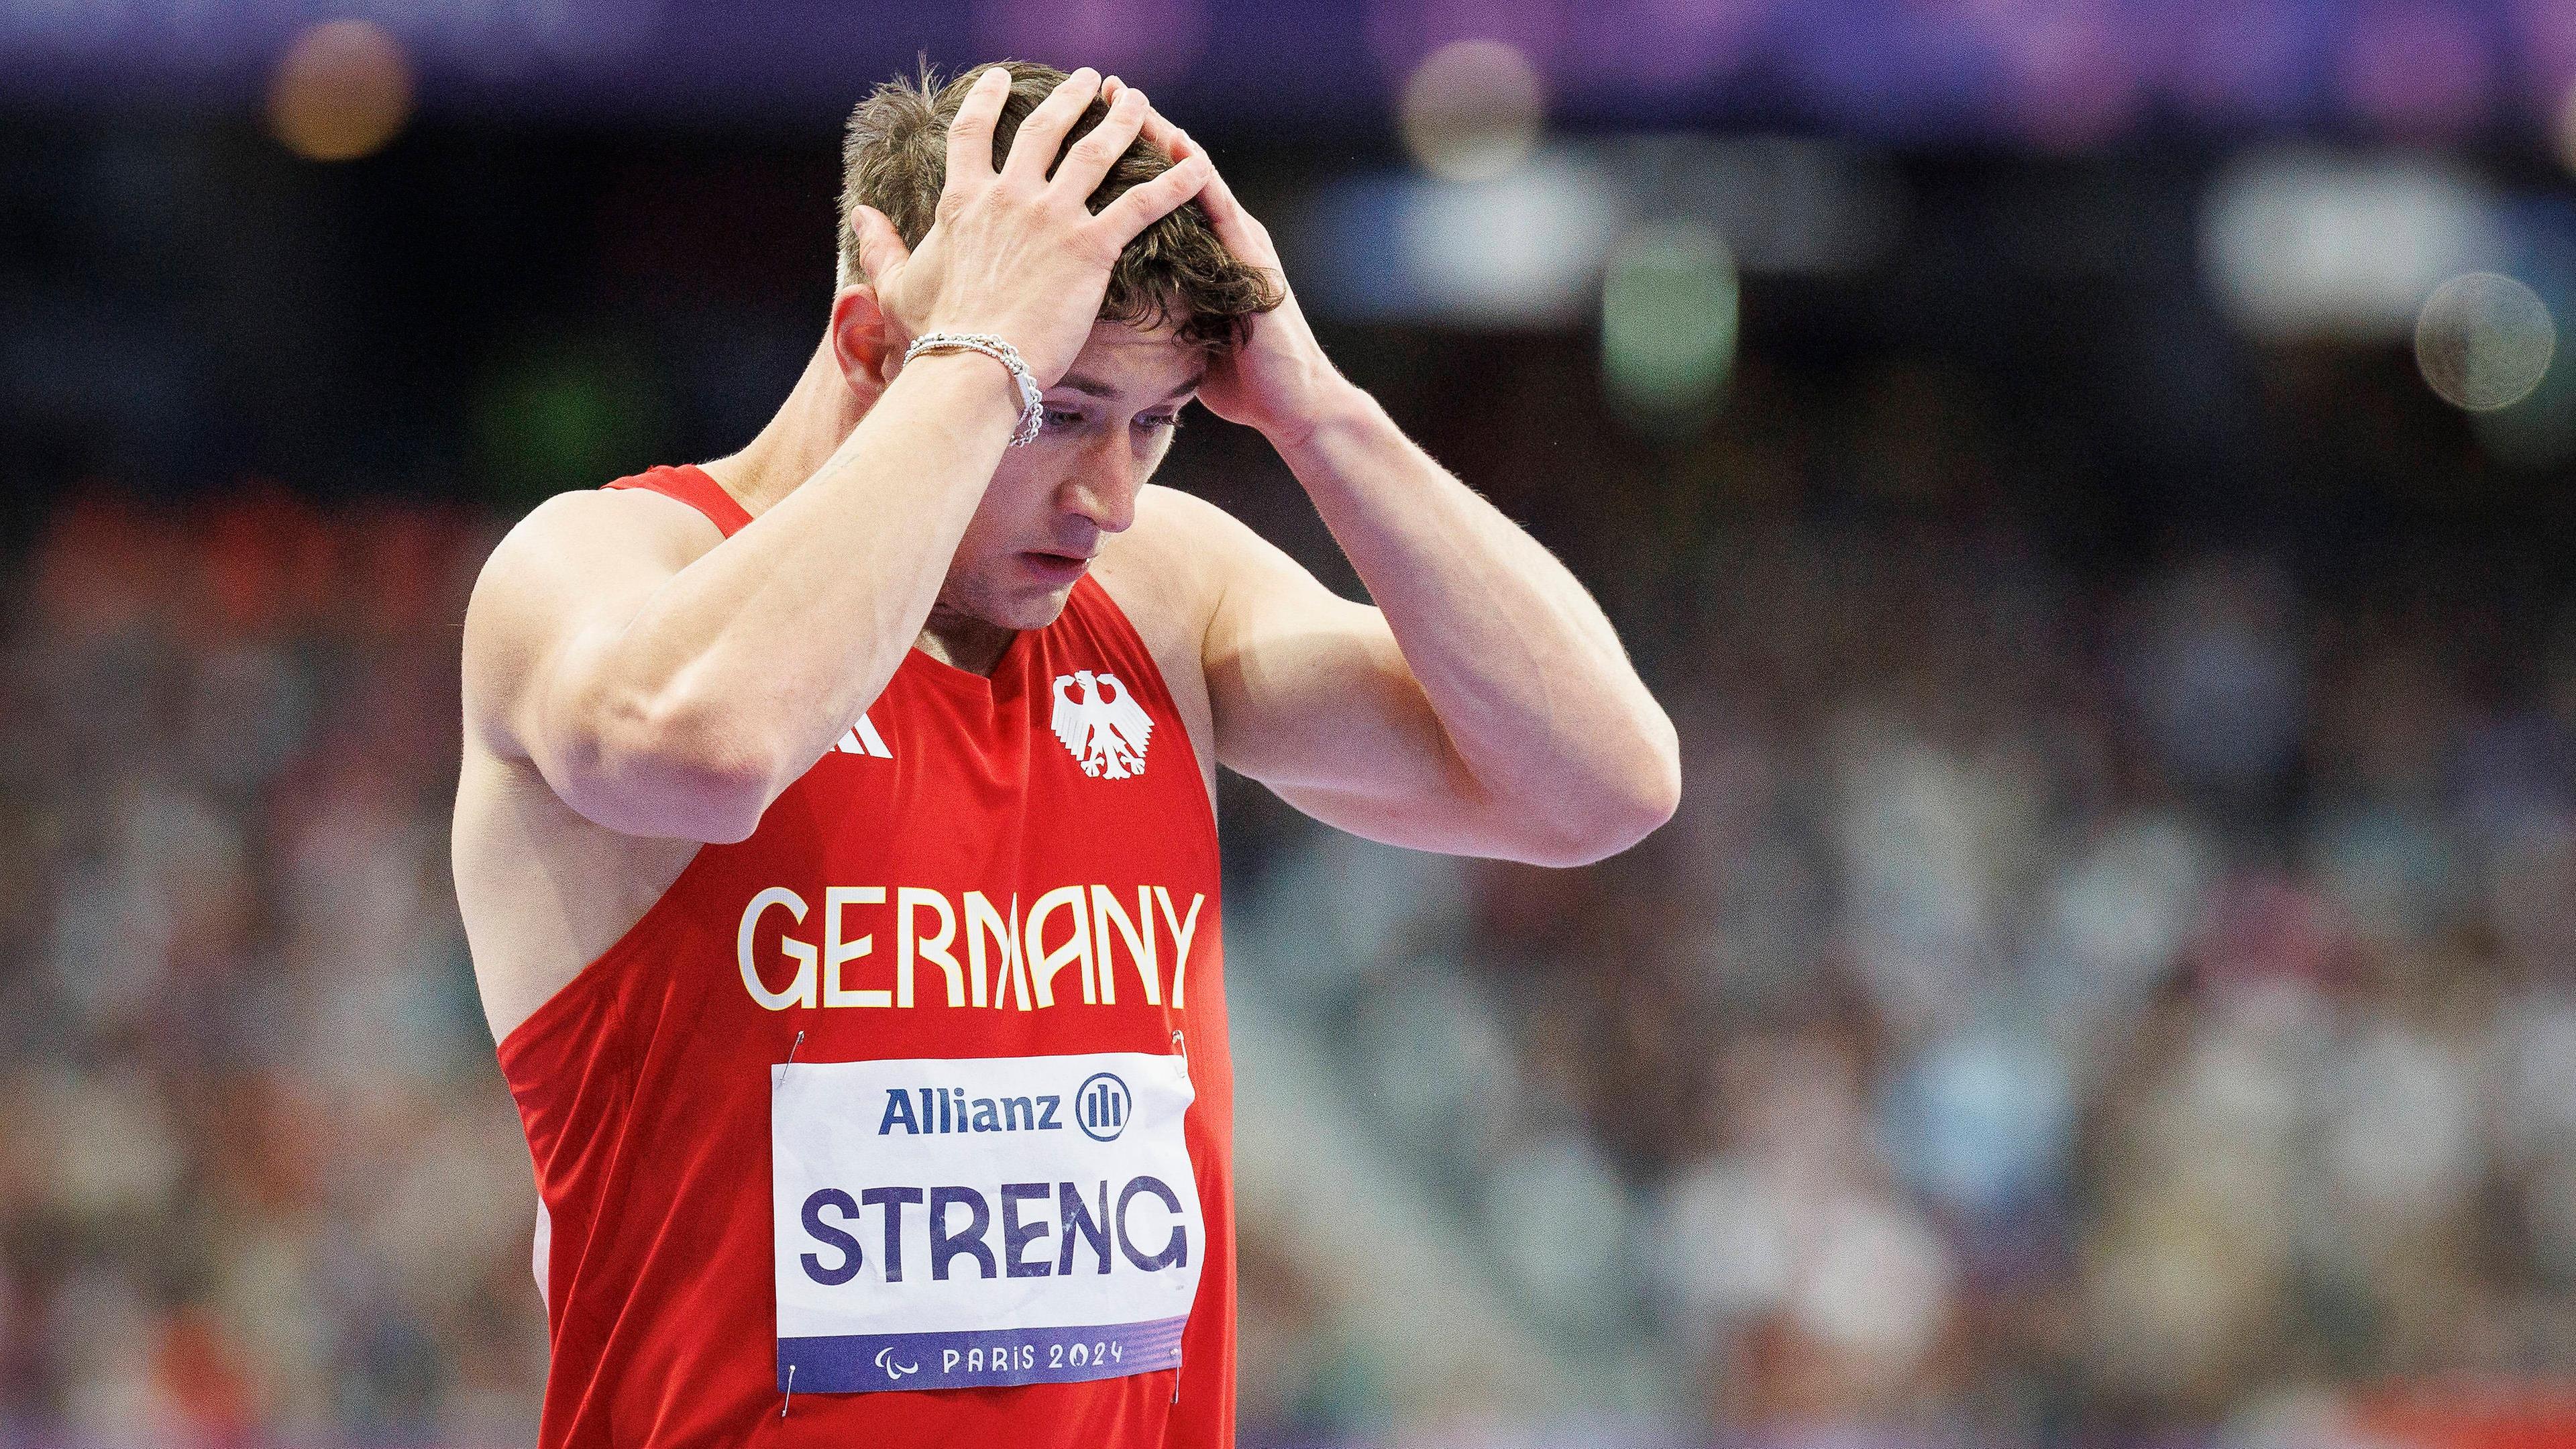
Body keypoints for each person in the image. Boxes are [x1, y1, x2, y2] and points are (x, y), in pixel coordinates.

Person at [451, 59, 1680, 1448]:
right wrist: (983, 368)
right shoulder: (603, 564)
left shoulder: (1163, 598)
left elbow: (1604, 784)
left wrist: (1321, 414)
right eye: (1066, 411)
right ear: (874, 342)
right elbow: (713, 749)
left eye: (1154, 422)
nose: (1111, 495)